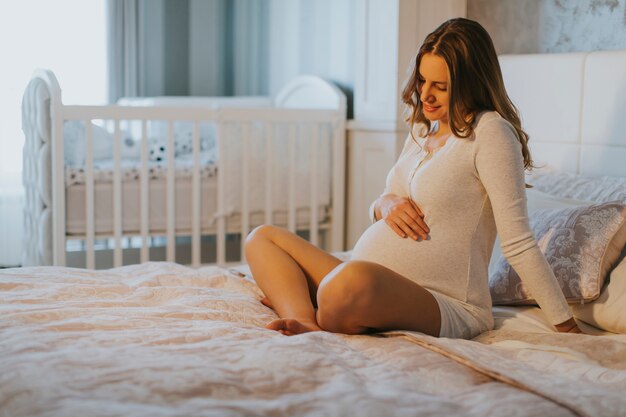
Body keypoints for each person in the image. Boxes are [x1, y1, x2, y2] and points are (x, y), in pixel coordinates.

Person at [244, 18, 581, 338]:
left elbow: (518, 241)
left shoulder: (491, 133)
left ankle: (310, 297)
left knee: (346, 283)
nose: (425, 95)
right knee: (262, 238)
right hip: (367, 279)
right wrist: (383, 204)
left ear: (472, 83)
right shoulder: (422, 129)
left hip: (443, 301)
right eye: (422, 81)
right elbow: (385, 201)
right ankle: (304, 320)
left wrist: (566, 325)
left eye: (441, 87)